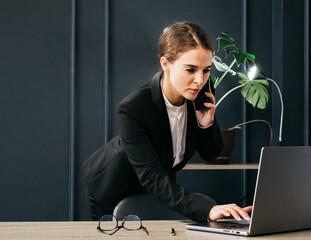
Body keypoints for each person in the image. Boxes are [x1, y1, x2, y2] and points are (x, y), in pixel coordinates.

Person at [83, 21, 252, 223]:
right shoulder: (133, 109)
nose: (200, 80)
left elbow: (211, 153)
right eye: (190, 70)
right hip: (115, 185)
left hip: (161, 187)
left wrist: (206, 124)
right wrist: (208, 209)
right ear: (166, 64)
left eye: (206, 70)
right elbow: (151, 177)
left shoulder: (200, 93)